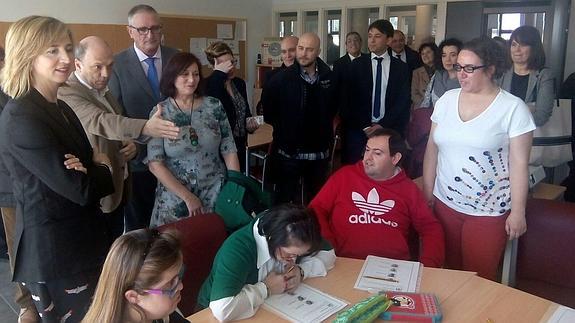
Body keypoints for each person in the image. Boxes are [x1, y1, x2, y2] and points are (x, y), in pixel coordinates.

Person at [0, 16, 115, 322]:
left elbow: (88, 164)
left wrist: (91, 166)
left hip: (84, 243)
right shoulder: (22, 116)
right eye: (52, 51)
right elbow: (81, 188)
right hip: (57, 256)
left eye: (67, 48)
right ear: (27, 55)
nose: (66, 58)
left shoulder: (60, 106)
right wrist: (101, 168)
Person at [423, 37, 535, 281]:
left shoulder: (513, 109)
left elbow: (519, 164)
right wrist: (427, 192)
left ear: (491, 69)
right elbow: (432, 149)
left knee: (477, 280)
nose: (461, 74)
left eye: (469, 68)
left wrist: (518, 211)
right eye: (458, 67)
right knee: (448, 274)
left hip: (488, 211)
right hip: (446, 203)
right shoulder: (446, 100)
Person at [58, 36, 180, 240]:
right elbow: (101, 121)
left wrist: (132, 144)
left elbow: (118, 122)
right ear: (77, 64)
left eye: (109, 66)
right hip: (95, 191)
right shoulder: (68, 92)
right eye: (97, 67)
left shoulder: (101, 89)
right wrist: (146, 127)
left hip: (119, 186)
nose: (105, 74)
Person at [310, 128, 444, 267]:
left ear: (395, 158)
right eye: (367, 150)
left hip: (392, 268)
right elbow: (315, 209)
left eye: (377, 153)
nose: (367, 158)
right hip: (344, 262)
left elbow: (430, 227)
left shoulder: (408, 189)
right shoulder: (344, 176)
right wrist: (327, 244)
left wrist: (428, 267)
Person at [197, 204, 336, 322]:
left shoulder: (297, 232)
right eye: (289, 255)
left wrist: (301, 271)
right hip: (209, 315)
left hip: (266, 308)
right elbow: (222, 309)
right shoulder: (238, 249)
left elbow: (329, 254)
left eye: (298, 256)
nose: (293, 260)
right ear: (271, 239)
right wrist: (266, 288)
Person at [147, 52, 240, 227]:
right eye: (185, 74)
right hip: (175, 199)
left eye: (196, 74)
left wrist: (235, 185)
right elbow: (155, 163)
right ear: (172, 77)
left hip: (215, 192)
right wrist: (187, 197)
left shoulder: (213, 106)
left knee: (212, 245)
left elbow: (229, 148)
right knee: (175, 250)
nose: (192, 80)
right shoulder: (161, 113)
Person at [109, 4, 179, 231]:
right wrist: (129, 143)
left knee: (175, 227)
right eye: (142, 29)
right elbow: (114, 113)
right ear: (130, 31)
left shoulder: (176, 57)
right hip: (139, 161)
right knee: (141, 229)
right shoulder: (116, 65)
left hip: (177, 157)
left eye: (155, 28)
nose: (150, 34)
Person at [262, 32, 338, 204]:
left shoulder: (330, 78)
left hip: (318, 155)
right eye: (301, 48)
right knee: (284, 205)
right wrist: (287, 131)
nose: (303, 53)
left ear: (318, 51)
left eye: (309, 49)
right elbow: (270, 114)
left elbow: (333, 109)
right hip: (289, 155)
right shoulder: (279, 80)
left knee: (317, 204)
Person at [341, 19, 411, 164]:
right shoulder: (357, 65)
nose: (372, 40)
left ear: (389, 40)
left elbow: (402, 101)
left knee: (385, 173)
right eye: (370, 36)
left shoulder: (401, 68)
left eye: (377, 36)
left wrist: (383, 125)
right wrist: (366, 126)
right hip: (359, 129)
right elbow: (350, 99)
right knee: (355, 173)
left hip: (389, 129)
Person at [82, 229, 188, 323]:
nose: (180, 286)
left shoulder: (162, 315)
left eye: (178, 276)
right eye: (170, 283)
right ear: (133, 297)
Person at [0, 81, 40, 322]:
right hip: (8, 184)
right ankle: (27, 303)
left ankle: (44, 297)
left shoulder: (24, 88)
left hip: (38, 179)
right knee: (18, 246)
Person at [204, 41, 258, 172]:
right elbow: (215, 109)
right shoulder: (208, 85)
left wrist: (250, 125)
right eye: (226, 65)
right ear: (214, 66)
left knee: (238, 184)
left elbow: (245, 112)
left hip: (240, 144)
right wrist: (219, 74)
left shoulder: (239, 83)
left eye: (233, 62)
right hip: (220, 149)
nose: (231, 67)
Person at [499, 26, 555, 127]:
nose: (517, 50)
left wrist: (507, 117)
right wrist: (527, 108)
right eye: (513, 44)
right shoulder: (502, 73)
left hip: (531, 138)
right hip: (502, 137)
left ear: (534, 48)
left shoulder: (544, 75)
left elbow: (541, 116)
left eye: (523, 45)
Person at [420, 38, 463, 108]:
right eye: (444, 55)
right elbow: (426, 101)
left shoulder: (466, 79)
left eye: (453, 55)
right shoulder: (437, 75)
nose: (447, 59)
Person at [411, 42, 439, 108]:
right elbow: (414, 94)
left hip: (438, 108)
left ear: (435, 53)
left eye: (428, 52)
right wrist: (426, 105)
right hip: (421, 108)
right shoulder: (417, 72)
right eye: (422, 54)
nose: (425, 56)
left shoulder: (441, 71)